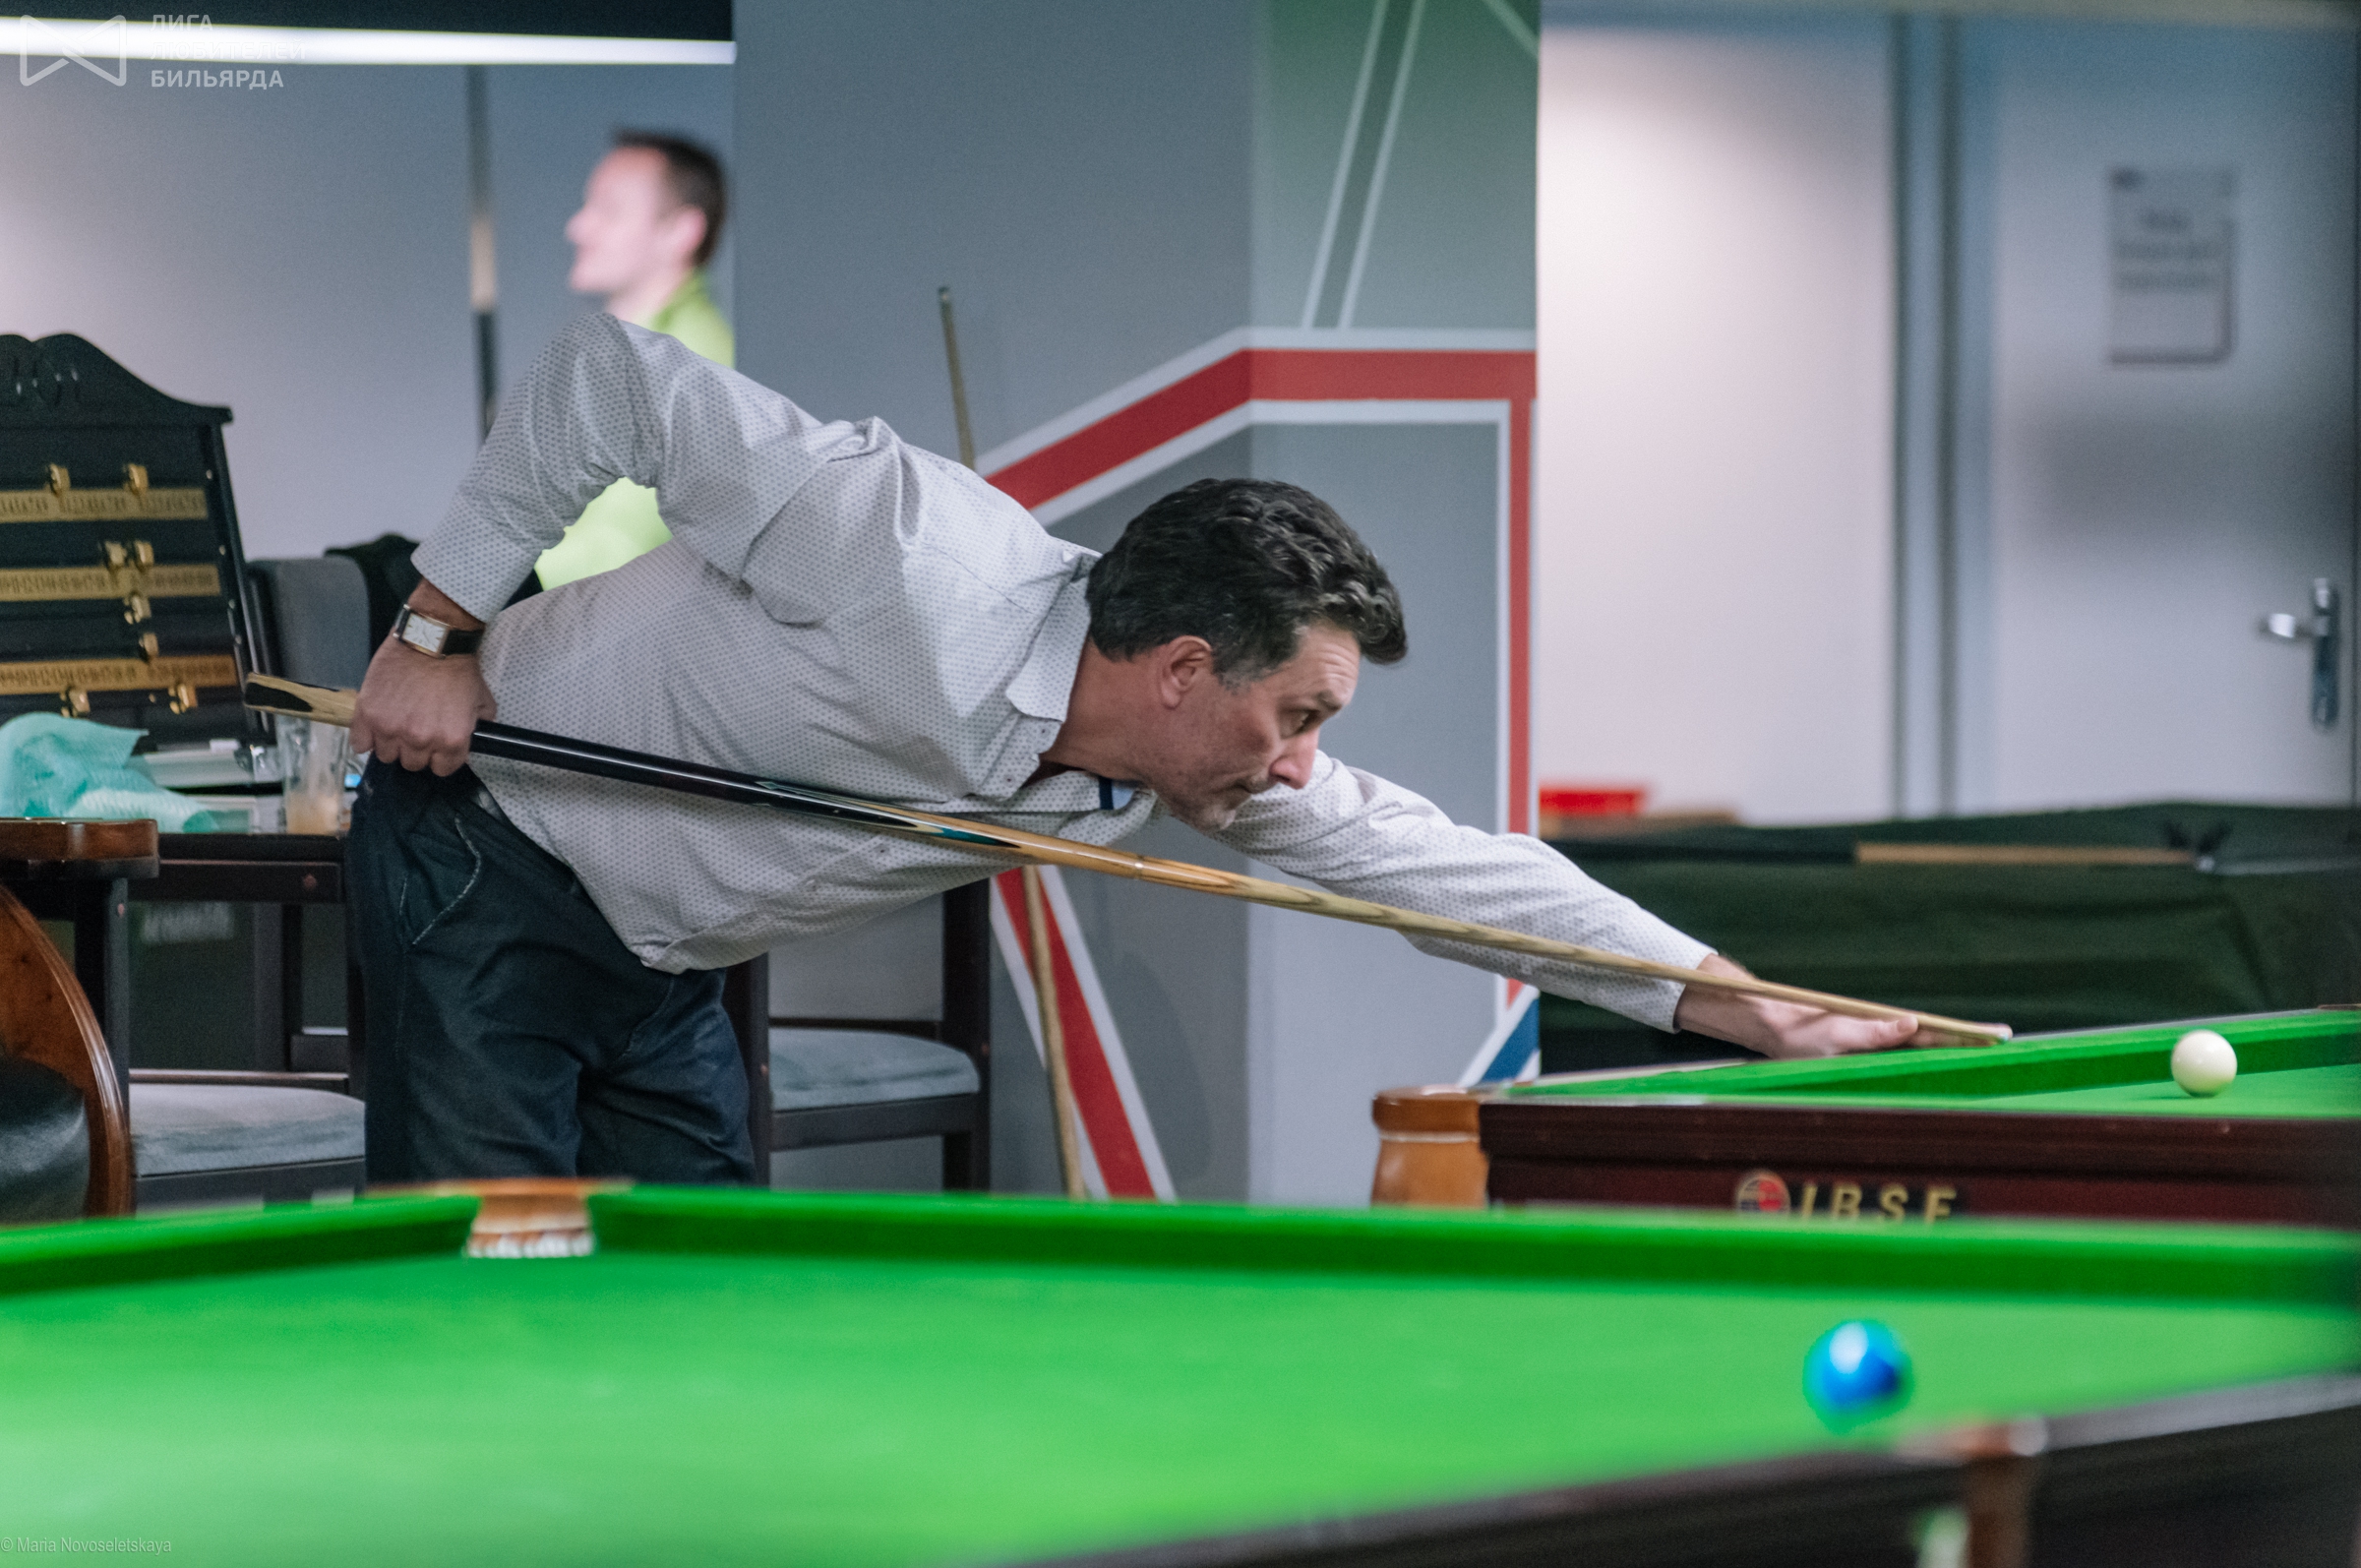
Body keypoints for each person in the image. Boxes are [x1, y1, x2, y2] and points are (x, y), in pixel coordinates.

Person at [348, 317, 1934, 1184]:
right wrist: (434, 630)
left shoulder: (1180, 764)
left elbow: (1449, 871)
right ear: (1184, 669)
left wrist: (1750, 1004)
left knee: (701, 1293)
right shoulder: (905, 554)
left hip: (668, 950)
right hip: (495, 841)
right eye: (1300, 714)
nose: (1303, 763)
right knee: (496, 1270)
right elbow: (615, 380)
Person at [534, 131, 733, 591]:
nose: (578, 227)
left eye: (609, 210)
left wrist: (472, 587)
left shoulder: (691, 364)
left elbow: (621, 548)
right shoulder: (620, 352)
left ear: (681, 231)